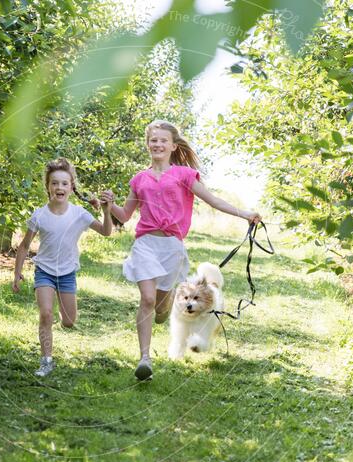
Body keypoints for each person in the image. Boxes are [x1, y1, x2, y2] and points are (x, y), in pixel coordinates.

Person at [107, 120, 262, 381]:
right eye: (153, 140)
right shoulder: (139, 179)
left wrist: (245, 214)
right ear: (147, 144)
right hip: (145, 243)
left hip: (172, 247)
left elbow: (213, 200)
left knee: (160, 307)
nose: (157, 144)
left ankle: (164, 307)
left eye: (162, 140)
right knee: (146, 299)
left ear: (173, 146)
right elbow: (124, 215)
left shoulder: (184, 175)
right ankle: (144, 358)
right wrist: (109, 205)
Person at [13, 158, 113, 377]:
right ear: (48, 186)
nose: (59, 187)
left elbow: (106, 232)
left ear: (71, 187)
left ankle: (61, 314)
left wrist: (106, 211)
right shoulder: (39, 215)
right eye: (55, 183)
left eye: (64, 183)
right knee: (46, 314)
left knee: (68, 322)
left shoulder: (79, 214)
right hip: (44, 272)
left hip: (67, 273)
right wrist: (17, 273)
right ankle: (46, 360)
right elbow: (24, 246)